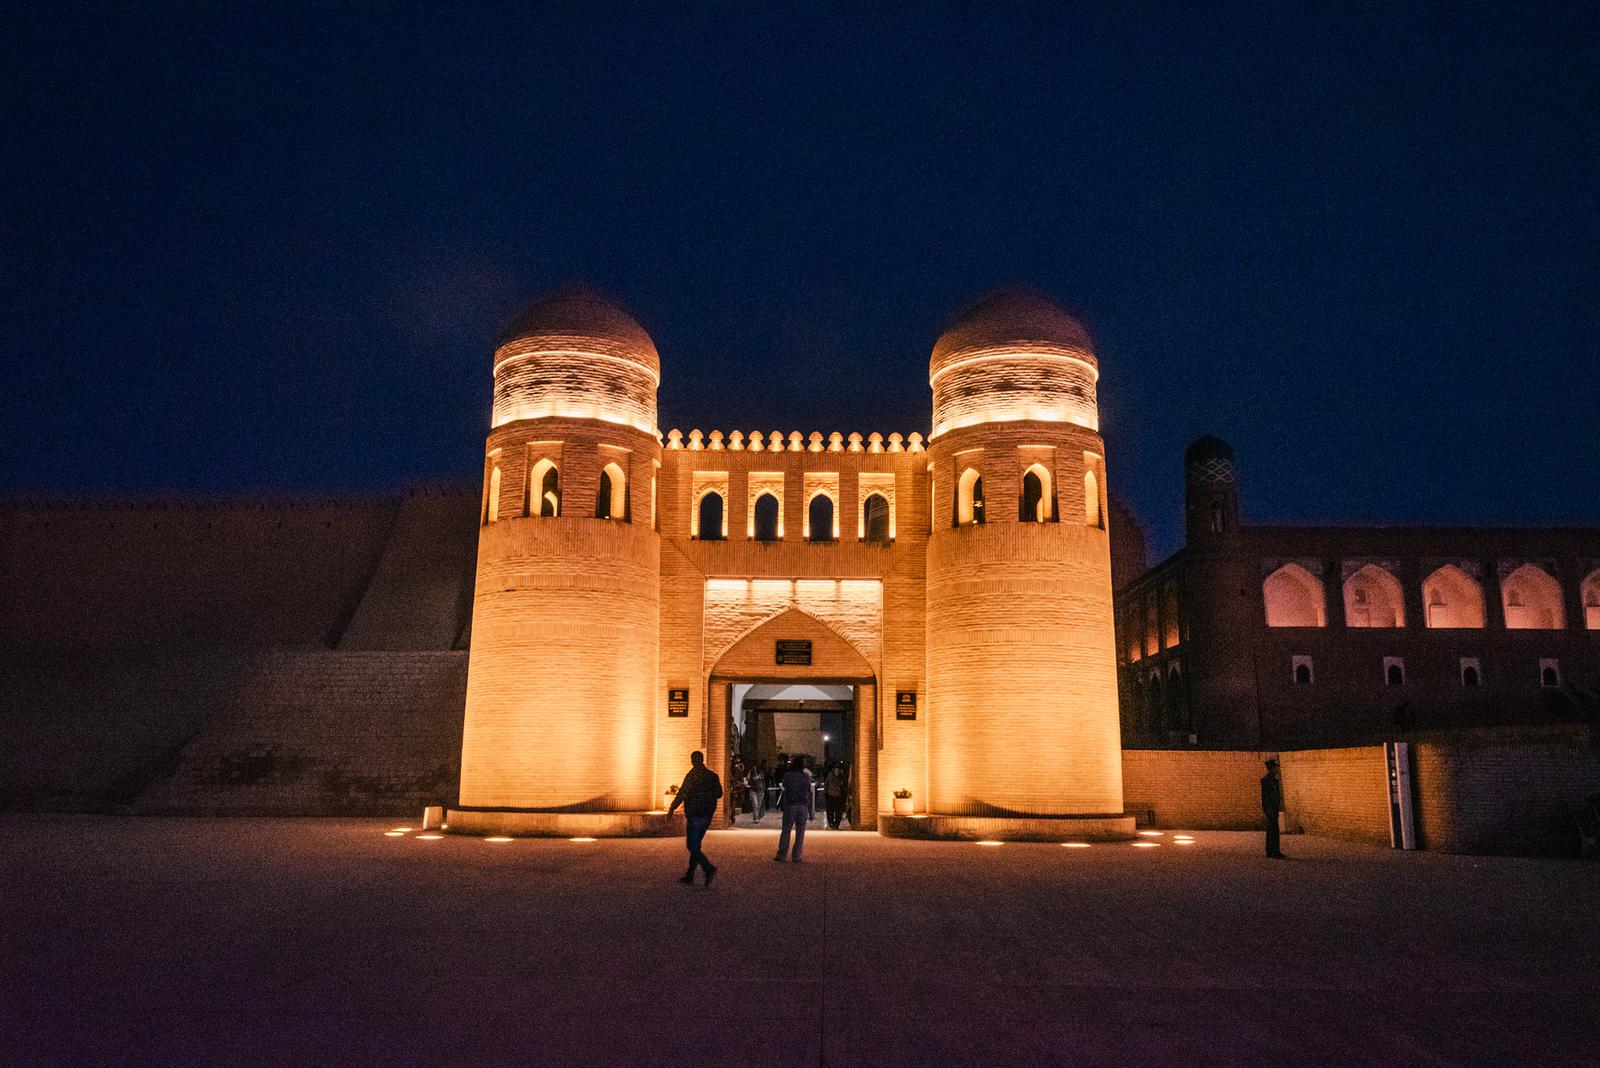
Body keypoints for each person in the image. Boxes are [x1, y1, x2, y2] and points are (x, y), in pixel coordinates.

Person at [667, 750, 723, 885]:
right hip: (707, 815)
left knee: (692, 845)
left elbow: (682, 793)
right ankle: (690, 874)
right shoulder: (712, 776)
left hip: (695, 814)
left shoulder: (691, 776)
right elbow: (719, 793)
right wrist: (708, 797)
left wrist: (672, 807)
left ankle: (708, 868)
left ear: (692, 760)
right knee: (696, 845)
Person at [775, 754, 814, 863]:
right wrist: (810, 811)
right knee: (800, 832)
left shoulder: (788, 776)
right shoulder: (806, 776)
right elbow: (808, 791)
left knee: (786, 830)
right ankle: (796, 856)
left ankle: (782, 855)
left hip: (790, 805)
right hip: (802, 805)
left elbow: (785, 787)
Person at [1260, 757, 1285, 859]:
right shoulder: (1267, 780)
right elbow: (1266, 797)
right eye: (1275, 767)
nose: (1276, 769)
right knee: (1273, 830)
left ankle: (1272, 850)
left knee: (1272, 829)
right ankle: (1274, 851)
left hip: (1273, 808)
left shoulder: (1273, 779)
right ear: (1271, 768)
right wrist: (1269, 809)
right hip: (1271, 809)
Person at [824, 761, 849, 829]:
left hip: (839, 797)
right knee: (830, 811)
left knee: (838, 812)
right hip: (830, 796)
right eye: (837, 769)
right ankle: (831, 823)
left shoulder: (842, 777)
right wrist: (826, 794)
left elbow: (844, 787)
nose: (838, 771)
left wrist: (844, 795)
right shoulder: (830, 776)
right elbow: (826, 785)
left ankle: (836, 824)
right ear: (834, 769)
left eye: (839, 769)